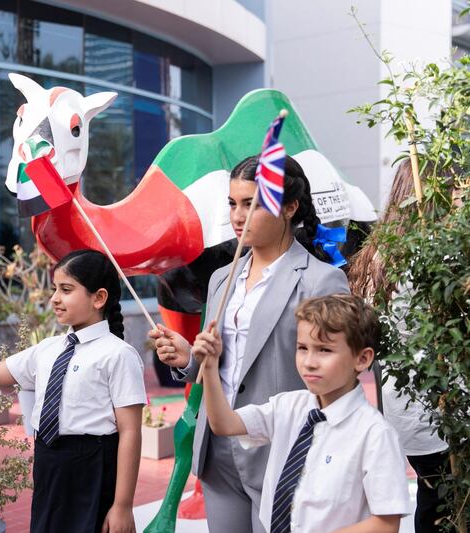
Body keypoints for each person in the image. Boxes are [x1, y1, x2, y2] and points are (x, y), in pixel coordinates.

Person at [150, 155, 350, 532]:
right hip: (217, 448)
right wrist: (188, 358)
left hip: (282, 451)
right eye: (233, 203)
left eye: (253, 204)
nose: (238, 216)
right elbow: (225, 362)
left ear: (290, 208)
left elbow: (336, 385)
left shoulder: (321, 283)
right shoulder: (221, 278)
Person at [0, 249, 146, 533]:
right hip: (49, 461)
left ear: (99, 297)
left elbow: (130, 432)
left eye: (66, 289)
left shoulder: (118, 355)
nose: (54, 298)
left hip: (93, 467)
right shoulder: (49, 348)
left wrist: (122, 505)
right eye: (54, 289)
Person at [199, 294, 410, 532]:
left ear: (362, 359)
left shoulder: (375, 435)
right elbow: (225, 425)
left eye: (324, 350)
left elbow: (387, 523)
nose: (309, 362)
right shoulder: (289, 407)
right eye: (302, 348)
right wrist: (210, 367)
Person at [348, 159, 450, 532]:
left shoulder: (378, 255)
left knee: (432, 494)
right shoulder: (429, 254)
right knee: (443, 499)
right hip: (439, 401)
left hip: (403, 401)